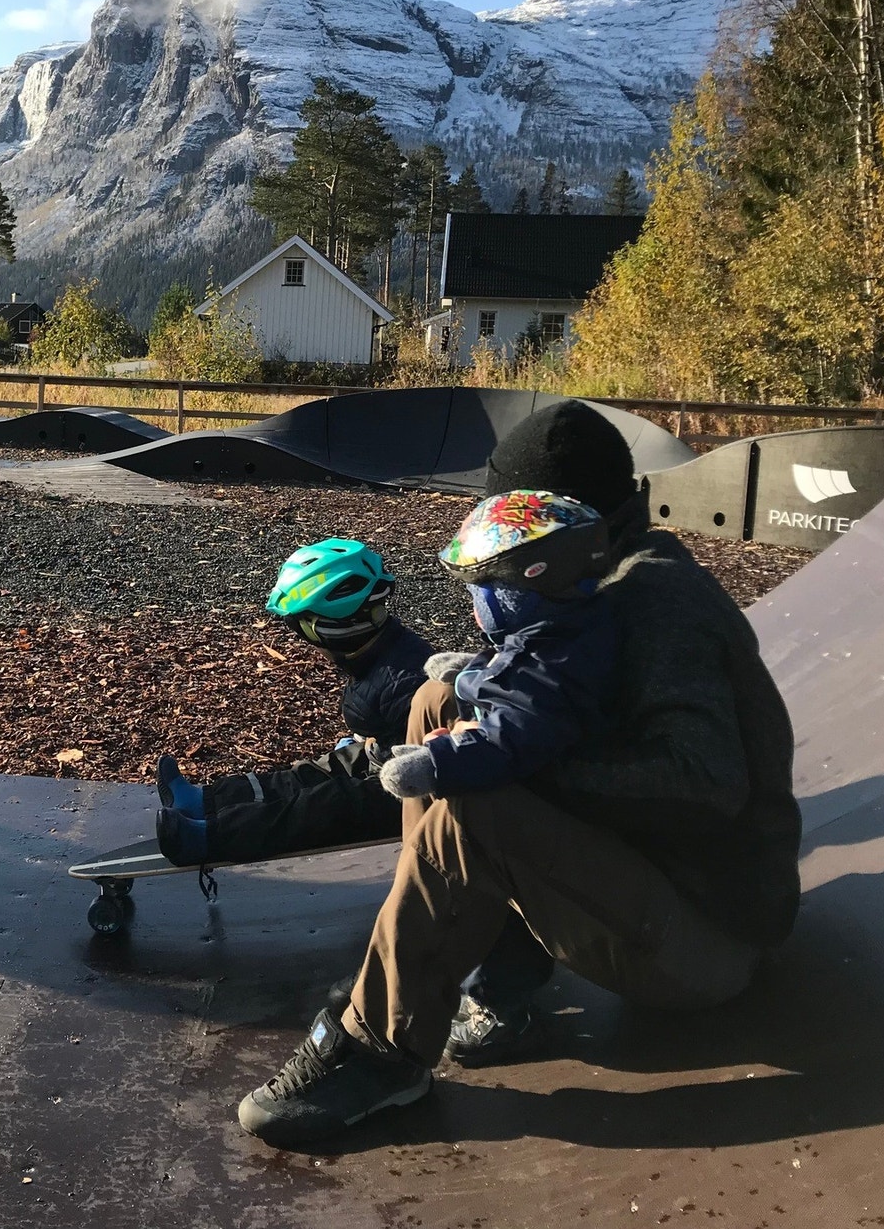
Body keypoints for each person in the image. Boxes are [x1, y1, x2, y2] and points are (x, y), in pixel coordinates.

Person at [235, 399, 802, 1148]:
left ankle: (382, 1051)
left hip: (708, 941)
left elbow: (706, 782)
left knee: (480, 798)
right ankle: (475, 983)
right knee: (436, 703)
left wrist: (521, 763)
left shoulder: (655, 600)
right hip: (651, 894)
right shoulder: (588, 585)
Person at [155, 537, 433, 866]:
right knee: (317, 772)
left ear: (334, 630)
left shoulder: (405, 681)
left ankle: (210, 835)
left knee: (330, 804)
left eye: (303, 629)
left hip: (417, 791)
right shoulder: (379, 654)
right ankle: (205, 801)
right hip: (392, 755)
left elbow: (428, 764)